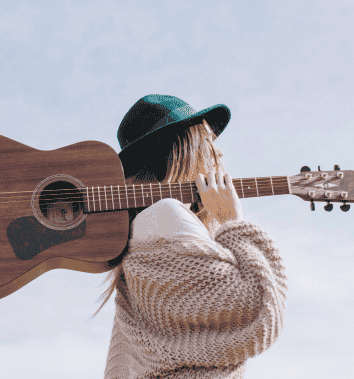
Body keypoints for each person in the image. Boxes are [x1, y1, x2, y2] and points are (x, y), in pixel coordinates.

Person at [94, 95, 288, 379]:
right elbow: (255, 310)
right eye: (209, 141)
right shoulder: (166, 216)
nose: (219, 154)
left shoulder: (144, 230)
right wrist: (232, 221)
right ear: (184, 149)